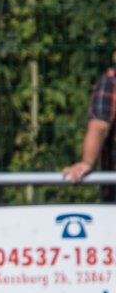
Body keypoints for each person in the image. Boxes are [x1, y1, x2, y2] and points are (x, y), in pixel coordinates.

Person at [61, 62, 116, 202]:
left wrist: (87, 162)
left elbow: (99, 126)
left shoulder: (111, 81)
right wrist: (87, 161)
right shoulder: (111, 81)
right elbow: (99, 126)